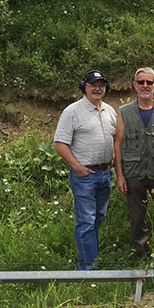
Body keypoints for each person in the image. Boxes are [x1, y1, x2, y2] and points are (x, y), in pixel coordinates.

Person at [53, 70, 116, 270]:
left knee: (98, 218)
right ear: (85, 87)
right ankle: (87, 269)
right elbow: (59, 143)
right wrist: (77, 167)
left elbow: (116, 138)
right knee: (86, 221)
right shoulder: (72, 111)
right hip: (85, 175)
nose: (98, 88)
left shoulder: (110, 111)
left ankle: (92, 259)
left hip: (105, 173)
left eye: (101, 85)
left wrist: (114, 155)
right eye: (93, 85)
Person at [114, 67, 154, 261]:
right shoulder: (124, 112)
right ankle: (141, 254)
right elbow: (118, 144)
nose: (145, 86)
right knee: (137, 215)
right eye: (141, 82)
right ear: (134, 85)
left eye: (149, 82)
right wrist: (120, 176)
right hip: (134, 172)